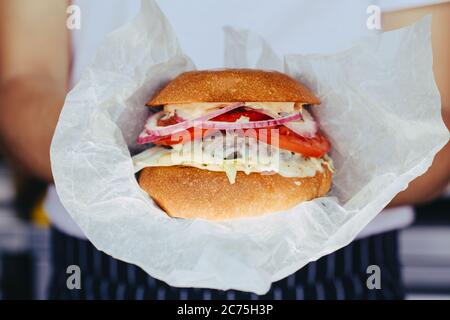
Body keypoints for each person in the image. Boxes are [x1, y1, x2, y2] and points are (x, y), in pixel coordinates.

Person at [0, 0, 449, 300]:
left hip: (341, 270)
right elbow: (23, 81)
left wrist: (346, 168)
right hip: (105, 264)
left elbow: (434, 115)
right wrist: (99, 160)